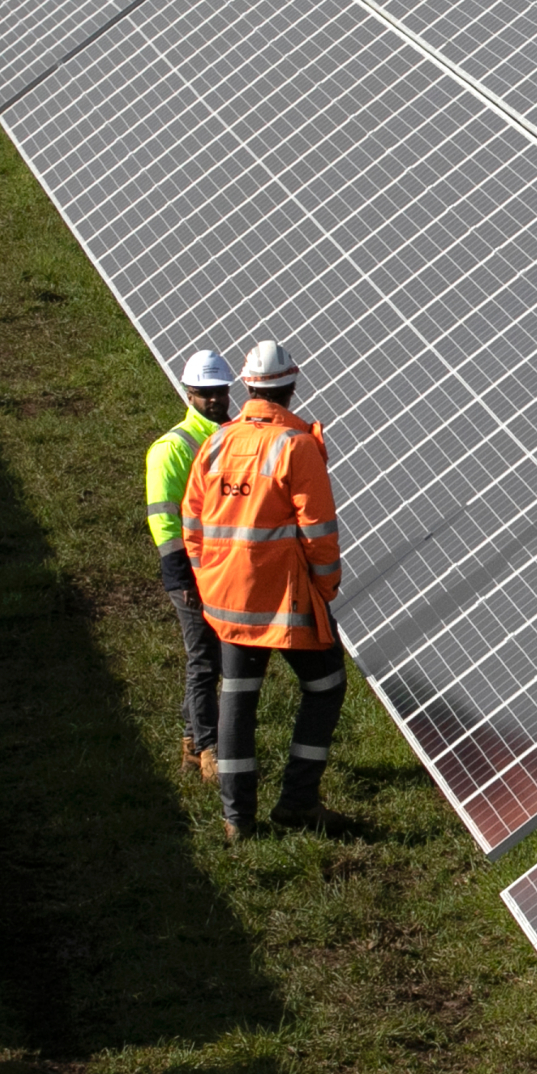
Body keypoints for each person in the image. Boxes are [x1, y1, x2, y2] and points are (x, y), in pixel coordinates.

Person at [183, 338, 345, 842]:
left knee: (237, 697)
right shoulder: (295, 446)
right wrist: (325, 588)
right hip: (283, 600)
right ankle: (297, 800)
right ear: (291, 387)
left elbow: (190, 521)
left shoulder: (214, 443)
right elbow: (318, 531)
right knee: (325, 684)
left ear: (246, 386)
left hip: (225, 600)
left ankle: (238, 820)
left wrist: (208, 577)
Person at [145, 350, 236, 775]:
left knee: (211, 657)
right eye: (206, 394)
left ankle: (189, 739)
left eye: (220, 392)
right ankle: (207, 747)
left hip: (221, 567)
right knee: (203, 658)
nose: (216, 400)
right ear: (189, 395)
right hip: (190, 573)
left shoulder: (231, 437)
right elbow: (163, 520)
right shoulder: (172, 449)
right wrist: (181, 576)